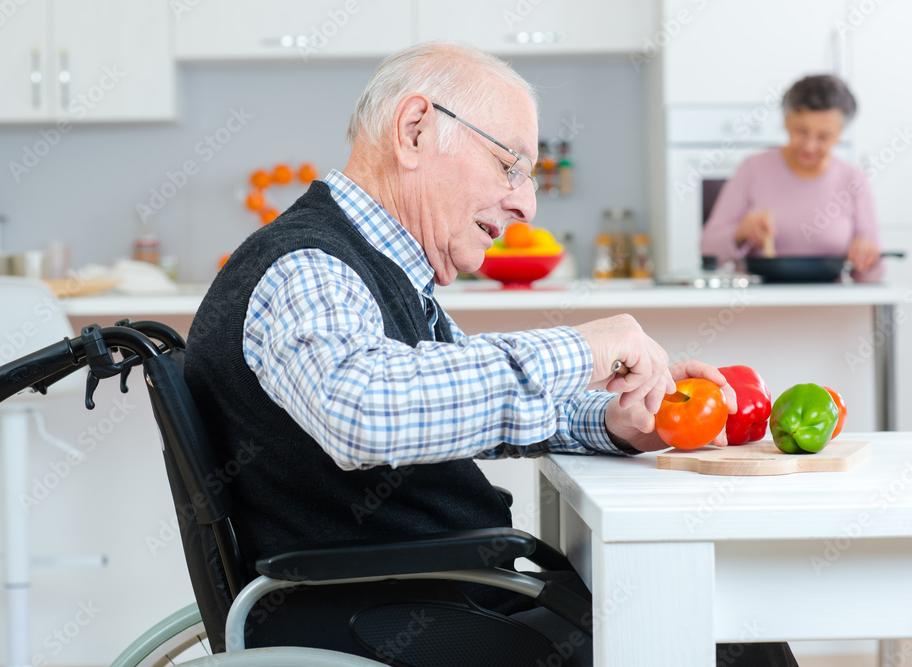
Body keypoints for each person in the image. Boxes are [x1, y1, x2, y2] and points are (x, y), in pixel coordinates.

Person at [184, 41, 797, 666]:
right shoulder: (307, 267)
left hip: (430, 603)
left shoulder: (380, 271)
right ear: (415, 130)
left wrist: (614, 420)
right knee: (725, 638)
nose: (527, 203)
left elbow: (460, 402)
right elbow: (367, 412)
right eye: (510, 165)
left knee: (719, 622)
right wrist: (585, 346)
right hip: (386, 621)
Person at [700, 74, 883, 281]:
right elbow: (707, 247)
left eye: (823, 137)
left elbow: (874, 276)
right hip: (758, 304)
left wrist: (867, 256)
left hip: (830, 307)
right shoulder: (753, 168)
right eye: (801, 131)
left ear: (841, 133)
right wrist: (740, 234)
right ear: (786, 122)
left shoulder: (854, 180)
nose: (809, 146)